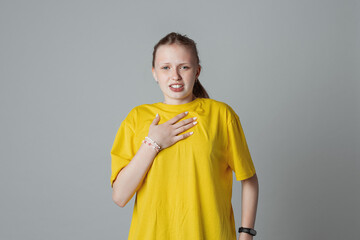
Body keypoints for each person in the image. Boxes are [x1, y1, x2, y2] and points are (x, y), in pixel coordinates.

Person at [110, 32, 259, 240]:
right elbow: (120, 196)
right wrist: (153, 143)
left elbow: (249, 179)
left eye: (184, 67)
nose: (175, 76)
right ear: (154, 73)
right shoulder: (137, 118)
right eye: (166, 67)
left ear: (197, 71)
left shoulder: (221, 115)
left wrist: (246, 235)